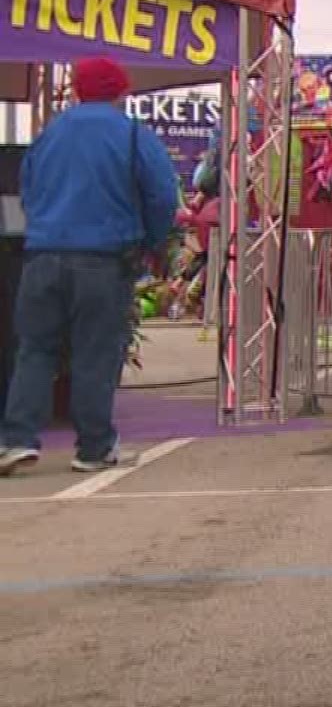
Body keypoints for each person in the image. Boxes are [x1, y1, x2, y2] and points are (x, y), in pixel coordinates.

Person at [0, 58, 179, 477]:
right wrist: (151, 243)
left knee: (34, 350)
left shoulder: (49, 135)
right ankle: (93, 447)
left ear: (76, 90)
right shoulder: (133, 134)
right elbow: (162, 196)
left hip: (42, 256)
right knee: (94, 354)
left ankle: (16, 440)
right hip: (104, 260)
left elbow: (28, 190)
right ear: (121, 92)